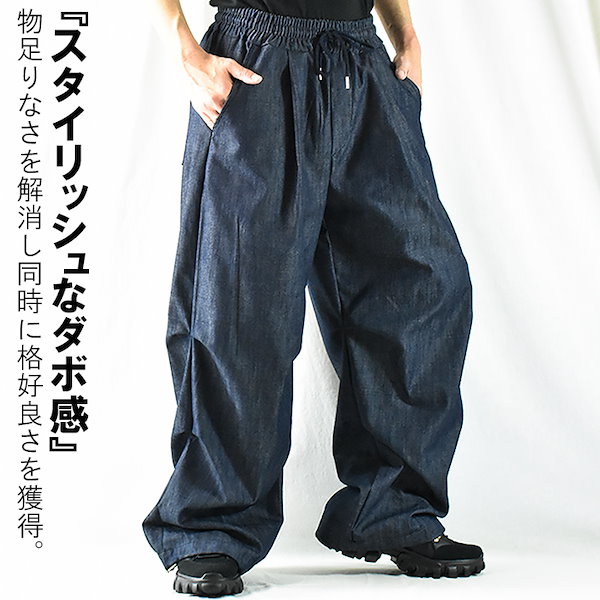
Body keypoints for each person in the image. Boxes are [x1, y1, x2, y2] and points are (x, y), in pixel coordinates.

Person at [142, 0, 485, 596]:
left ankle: (392, 509)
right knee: (240, 302)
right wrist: (184, 48)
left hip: (363, 61)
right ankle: (211, 526)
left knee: (424, 284)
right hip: (256, 62)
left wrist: (405, 33)